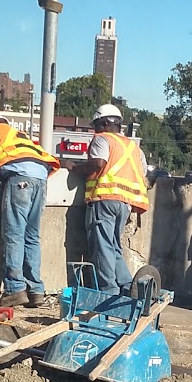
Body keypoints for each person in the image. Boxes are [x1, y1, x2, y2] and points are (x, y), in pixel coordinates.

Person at [0, 111, 60, 307]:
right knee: (32, 236)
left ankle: (15, 289)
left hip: (20, 181)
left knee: (14, 235)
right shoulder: (20, 135)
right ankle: (35, 290)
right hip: (40, 180)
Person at [74, 104, 149, 295]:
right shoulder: (134, 147)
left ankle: (108, 291)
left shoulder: (102, 139)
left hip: (104, 199)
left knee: (102, 247)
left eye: (97, 125)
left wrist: (74, 167)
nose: (95, 130)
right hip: (125, 203)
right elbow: (144, 173)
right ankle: (125, 286)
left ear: (105, 123)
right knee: (114, 245)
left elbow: (98, 163)